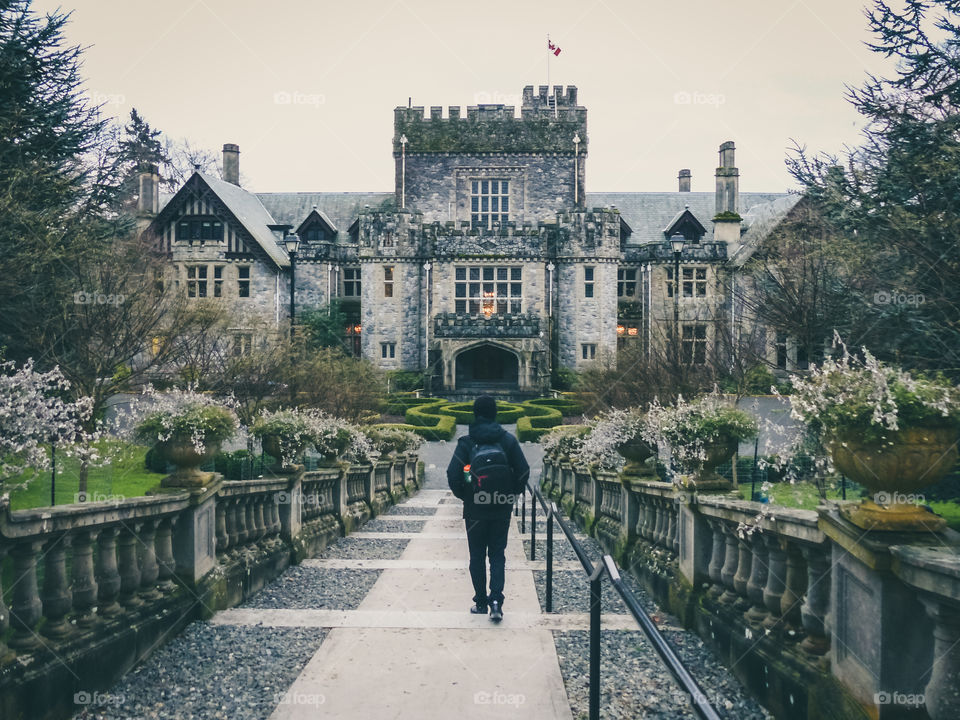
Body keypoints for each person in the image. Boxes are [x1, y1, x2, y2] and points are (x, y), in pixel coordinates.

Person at [446, 394, 529, 623]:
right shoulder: (507, 441)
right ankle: (496, 601)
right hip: (501, 506)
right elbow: (523, 471)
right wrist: (510, 494)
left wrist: (468, 496)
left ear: (475, 413)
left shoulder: (467, 442)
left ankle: (480, 602)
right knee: (497, 555)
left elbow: (453, 475)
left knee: (476, 556)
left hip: (475, 509)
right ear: (495, 414)